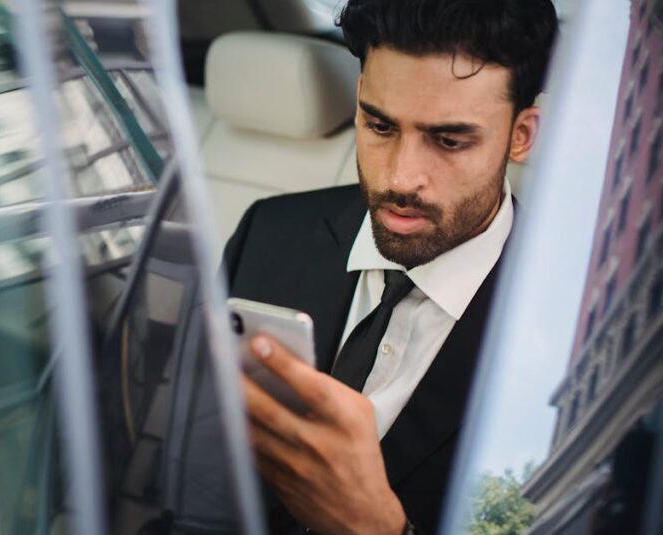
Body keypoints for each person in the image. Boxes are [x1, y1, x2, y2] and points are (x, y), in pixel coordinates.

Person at [221, 1, 558, 533]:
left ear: (521, 135)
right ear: (359, 99)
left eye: (449, 140)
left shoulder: (566, 337)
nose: (401, 179)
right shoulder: (268, 234)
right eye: (380, 126)